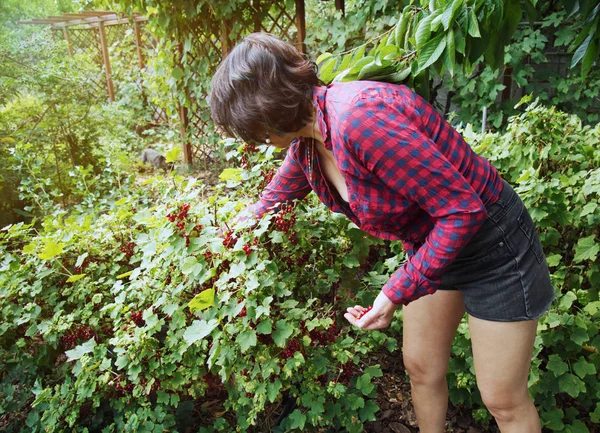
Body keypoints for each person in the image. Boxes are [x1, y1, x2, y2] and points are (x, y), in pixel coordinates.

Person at [209, 32, 555, 433]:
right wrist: (223, 240)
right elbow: (270, 202)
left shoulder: (360, 120)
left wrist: (394, 292)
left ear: (267, 109)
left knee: (502, 398)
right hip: (436, 246)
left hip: (493, 247)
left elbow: (462, 211)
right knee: (421, 367)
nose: (254, 140)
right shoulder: (309, 144)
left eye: (250, 128)